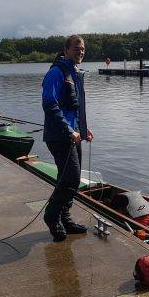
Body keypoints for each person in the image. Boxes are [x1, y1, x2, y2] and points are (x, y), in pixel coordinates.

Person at [42, 35, 94, 242]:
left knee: (70, 179)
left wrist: (83, 129)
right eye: (76, 48)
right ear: (65, 50)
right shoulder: (56, 72)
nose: (80, 52)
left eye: (82, 49)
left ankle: (65, 218)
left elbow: (75, 107)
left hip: (74, 135)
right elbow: (49, 104)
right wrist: (68, 130)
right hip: (59, 135)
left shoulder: (74, 73)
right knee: (71, 179)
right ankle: (51, 216)